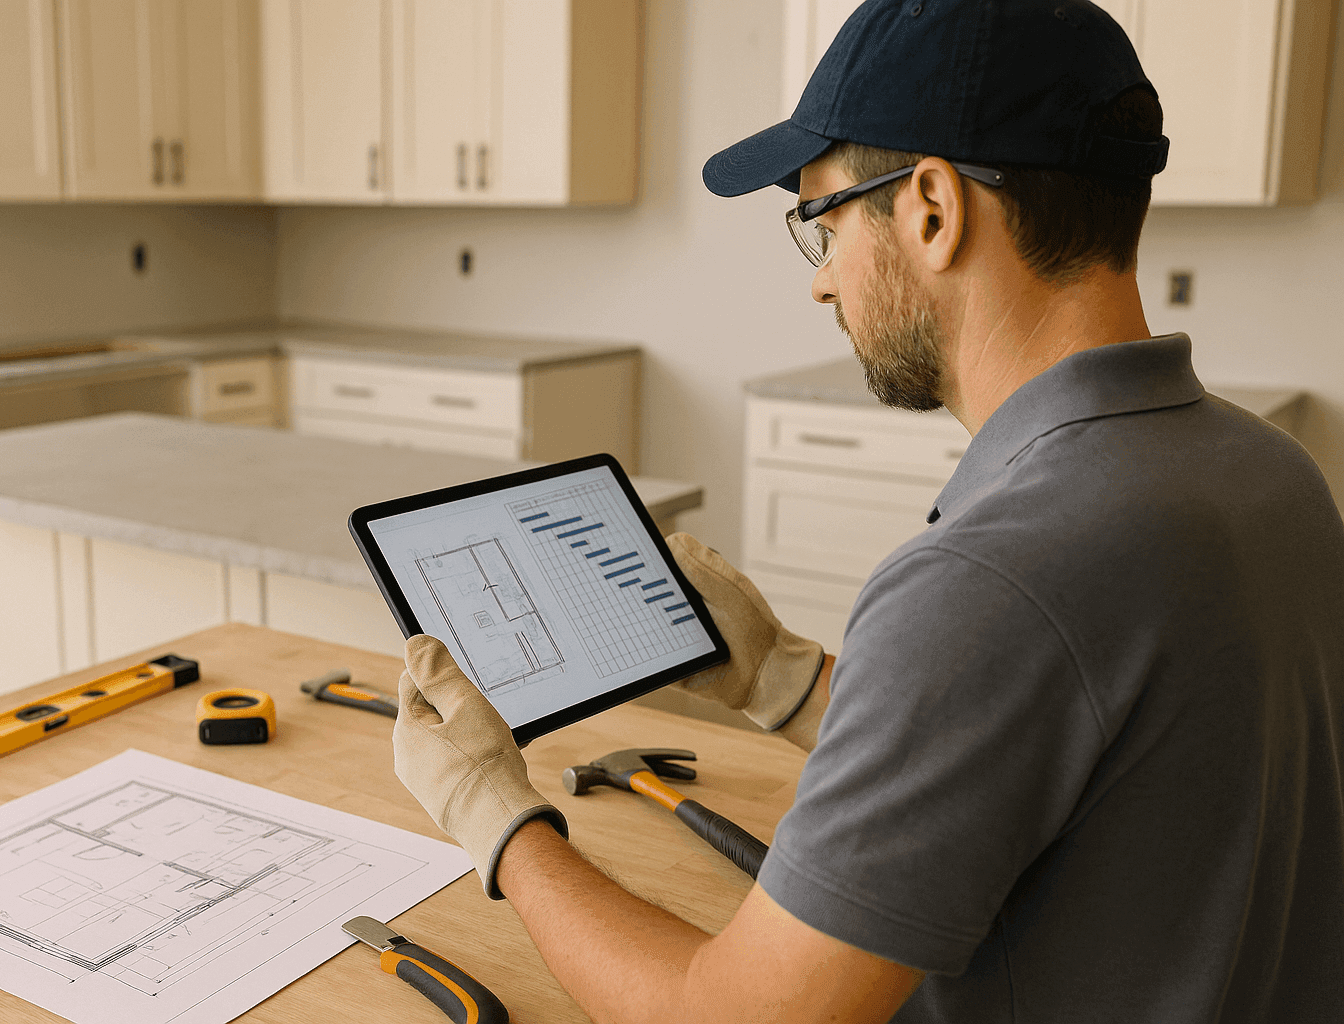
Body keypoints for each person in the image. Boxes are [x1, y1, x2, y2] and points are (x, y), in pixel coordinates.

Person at [389, 0, 1344, 1020]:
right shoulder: (1274, 478)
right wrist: (784, 679)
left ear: (933, 209)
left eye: (825, 221)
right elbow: (1063, 764)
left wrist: (496, 814)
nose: (823, 282)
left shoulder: (991, 579)